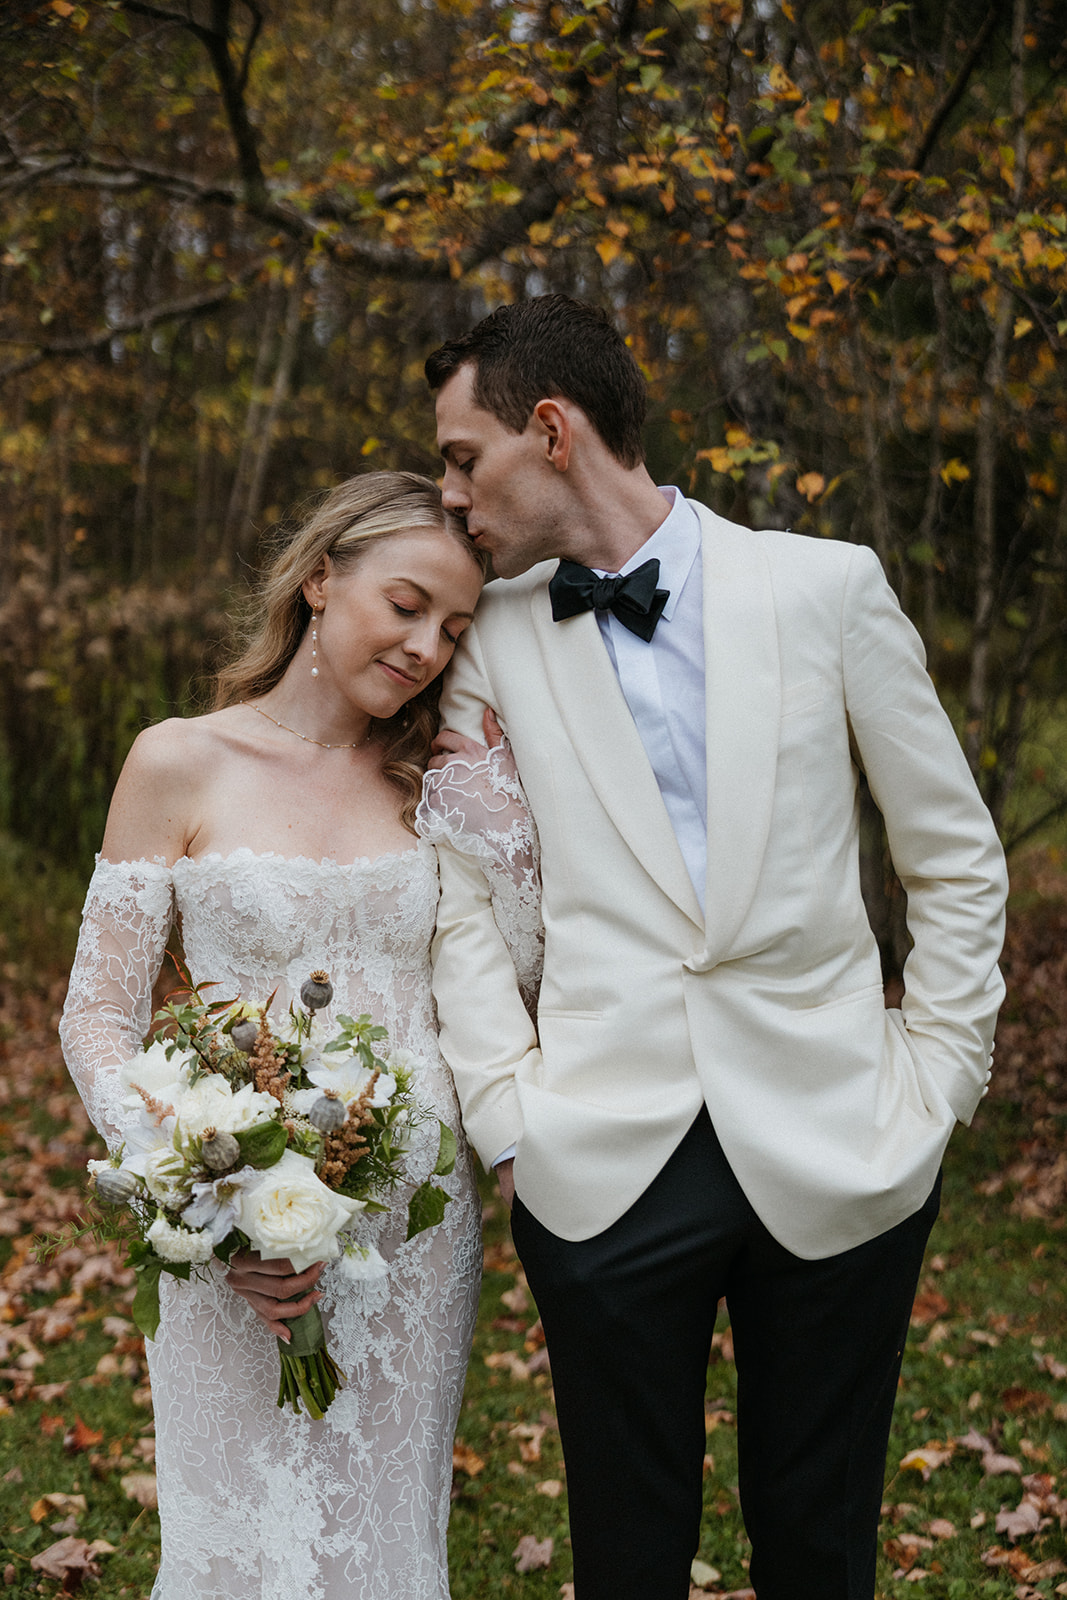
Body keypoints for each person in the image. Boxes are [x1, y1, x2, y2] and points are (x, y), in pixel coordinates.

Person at [422, 296, 1008, 1600]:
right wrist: (509, 1117)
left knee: (817, 1544)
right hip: (598, 1157)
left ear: (551, 430)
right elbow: (457, 898)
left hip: (839, 1134)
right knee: (624, 1559)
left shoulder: (824, 585)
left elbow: (951, 852)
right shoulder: (495, 640)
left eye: (463, 458)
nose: (450, 495)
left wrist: (937, 1079)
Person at [59, 472, 489, 1600]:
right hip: (234, 1221)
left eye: (452, 627)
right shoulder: (178, 760)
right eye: (405, 603)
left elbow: (503, 982)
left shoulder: (435, 780)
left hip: (412, 1227)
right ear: (318, 578)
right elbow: (98, 1014)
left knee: (389, 1541)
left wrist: (495, 809)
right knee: (238, 1544)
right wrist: (206, 1191)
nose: (424, 646)